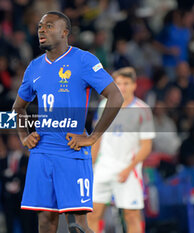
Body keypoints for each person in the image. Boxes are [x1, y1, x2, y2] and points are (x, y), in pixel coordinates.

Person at [12, 11, 123, 233]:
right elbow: (17, 107)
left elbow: (116, 97)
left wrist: (93, 136)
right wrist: (24, 136)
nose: (42, 30)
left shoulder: (83, 60)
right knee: (45, 221)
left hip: (71, 150)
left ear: (65, 33)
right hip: (42, 153)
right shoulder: (34, 67)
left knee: (77, 224)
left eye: (49, 26)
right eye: (40, 27)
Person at [87, 67, 155, 233]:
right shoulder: (104, 105)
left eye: (126, 83)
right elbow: (97, 138)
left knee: (131, 215)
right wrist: (90, 165)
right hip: (103, 167)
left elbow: (146, 146)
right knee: (93, 213)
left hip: (129, 169)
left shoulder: (142, 110)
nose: (122, 87)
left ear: (134, 85)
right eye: (118, 83)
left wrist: (128, 169)